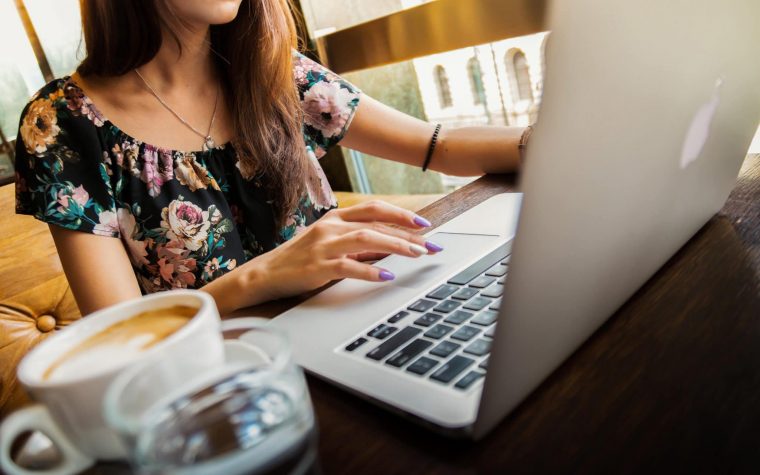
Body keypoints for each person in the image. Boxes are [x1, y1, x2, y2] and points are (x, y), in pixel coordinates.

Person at [14, 0, 526, 316]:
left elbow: (436, 145)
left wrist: (556, 138)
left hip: (348, 322)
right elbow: (121, 338)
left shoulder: (271, 69)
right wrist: (263, 275)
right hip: (220, 388)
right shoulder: (63, 124)